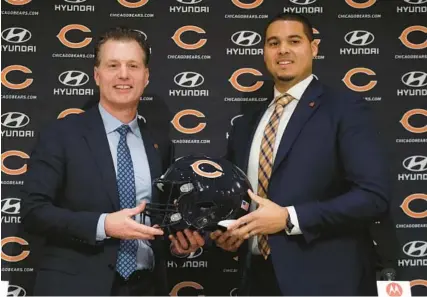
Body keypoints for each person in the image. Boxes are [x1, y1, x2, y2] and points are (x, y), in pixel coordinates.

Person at [211, 13, 390, 296]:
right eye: (273, 43)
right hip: (255, 280)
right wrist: (227, 233)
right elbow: (240, 198)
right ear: (264, 52)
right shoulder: (247, 125)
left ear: (313, 48)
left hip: (326, 283)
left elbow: (373, 197)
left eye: (294, 41)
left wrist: (289, 218)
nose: (283, 50)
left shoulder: (345, 109)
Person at [21, 27, 204, 296]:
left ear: (146, 76)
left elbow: (160, 220)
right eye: (113, 65)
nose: (123, 74)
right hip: (75, 288)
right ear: (97, 75)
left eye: (133, 65)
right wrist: (103, 225)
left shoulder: (159, 144)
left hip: (146, 287)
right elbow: (33, 212)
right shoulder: (61, 134)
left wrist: (178, 245)